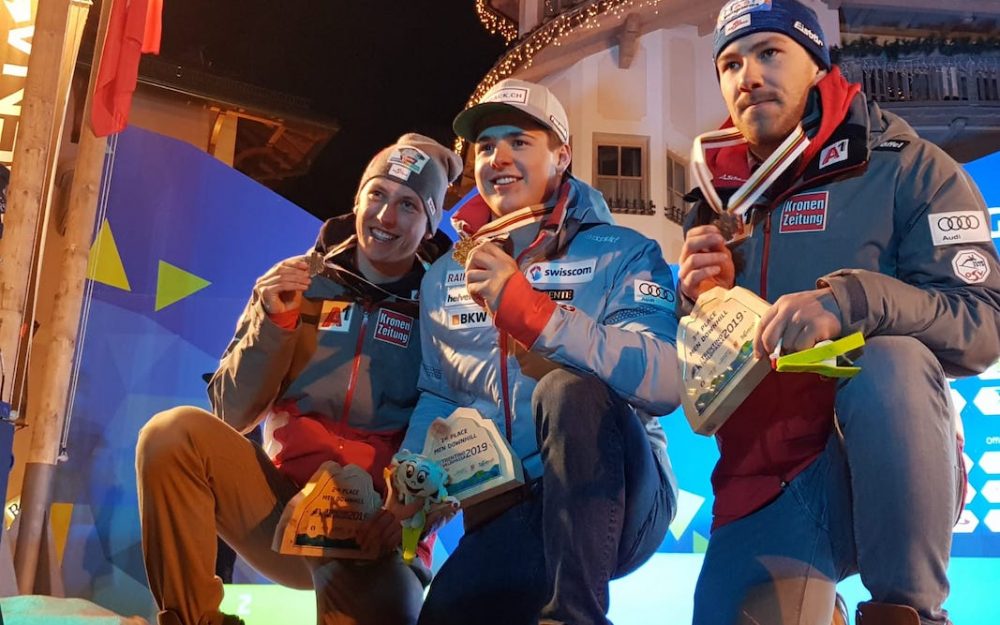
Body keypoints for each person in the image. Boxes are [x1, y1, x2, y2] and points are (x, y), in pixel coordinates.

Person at [678, 1, 1000, 623]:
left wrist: (851, 300)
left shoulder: (909, 164)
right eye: (730, 62)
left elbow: (981, 322)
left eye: (771, 53)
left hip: (878, 461)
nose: (748, 76)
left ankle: (907, 610)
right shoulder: (714, 198)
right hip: (763, 477)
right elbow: (693, 374)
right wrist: (697, 304)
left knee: (890, 356)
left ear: (820, 62)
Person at [135, 133, 463, 625]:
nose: (385, 217)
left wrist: (410, 512)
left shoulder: (445, 307)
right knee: (171, 435)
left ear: (430, 222)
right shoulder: (298, 282)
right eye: (377, 194)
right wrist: (274, 325)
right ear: (357, 199)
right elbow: (230, 415)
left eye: (408, 205)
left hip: (380, 527)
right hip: (284, 510)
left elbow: (456, 423)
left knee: (387, 612)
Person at [402, 78, 680, 625]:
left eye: (519, 141)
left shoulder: (623, 250)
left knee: (567, 387)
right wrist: (408, 475)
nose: (498, 157)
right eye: (485, 147)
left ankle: (575, 619)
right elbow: (438, 393)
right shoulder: (443, 275)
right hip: (510, 506)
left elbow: (665, 378)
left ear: (561, 155)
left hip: (621, 498)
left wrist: (527, 308)